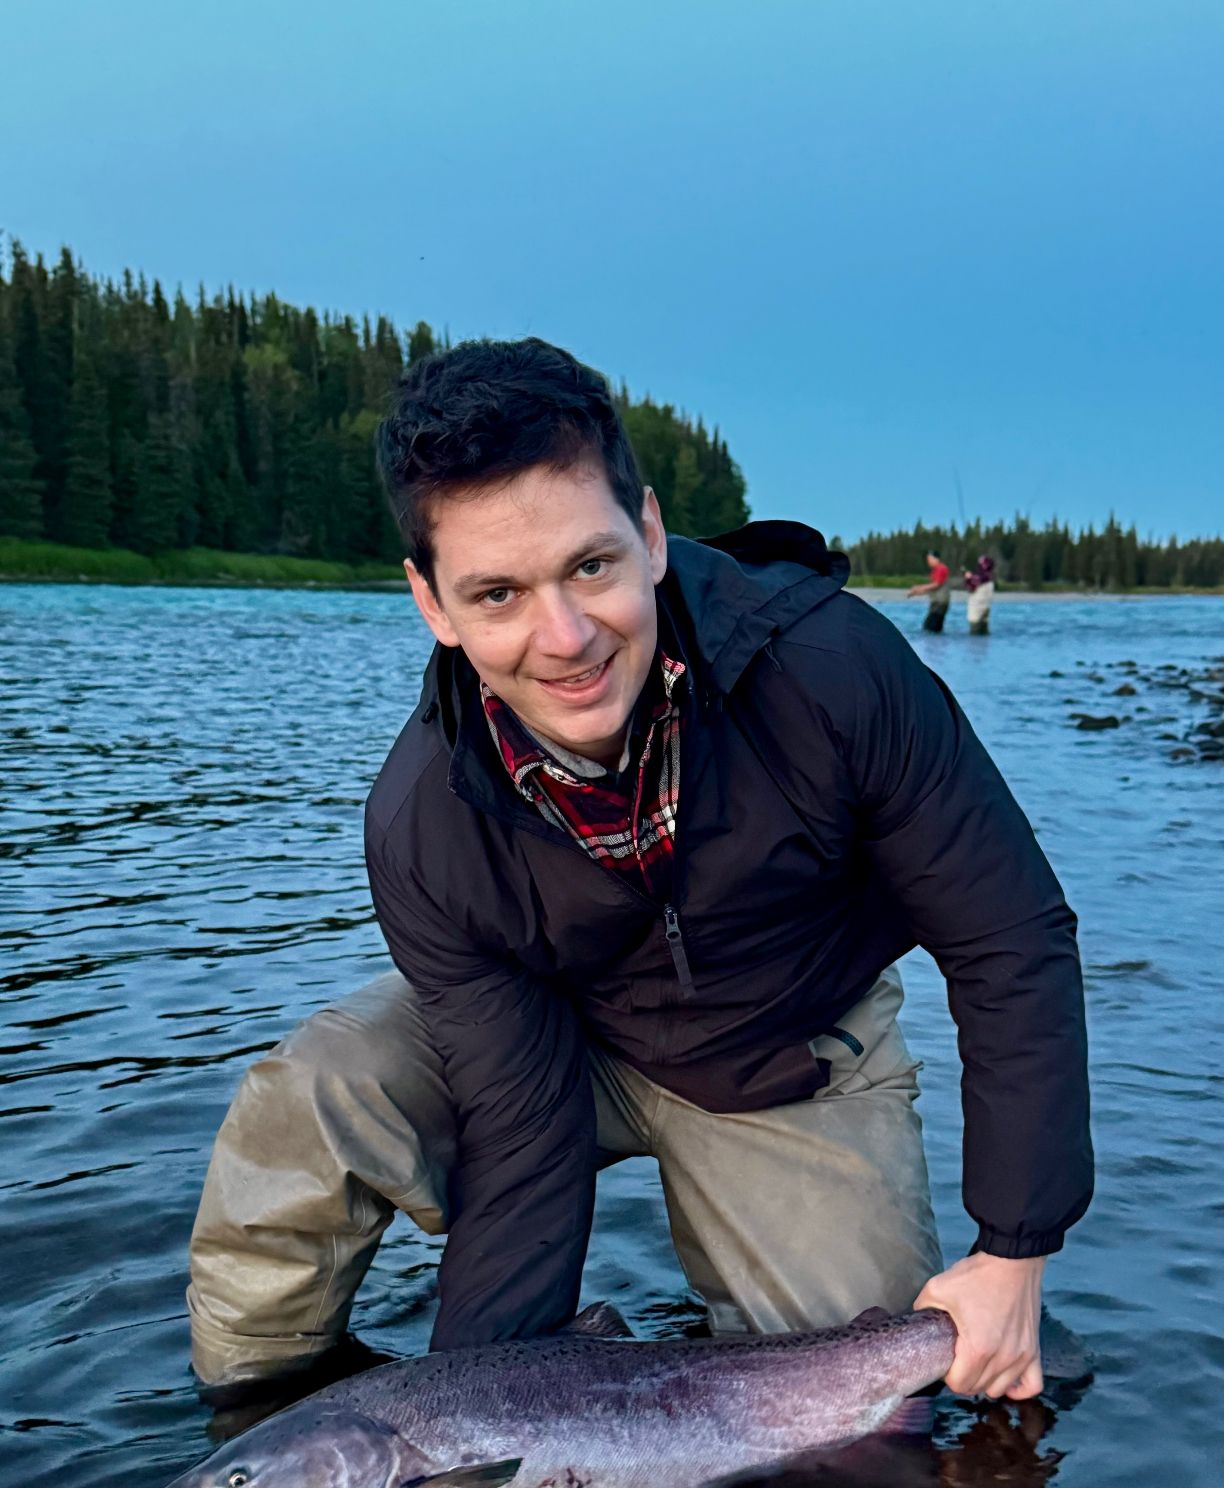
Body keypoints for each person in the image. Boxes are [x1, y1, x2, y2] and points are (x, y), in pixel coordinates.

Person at [186, 338, 1092, 1406]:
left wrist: (1014, 1250)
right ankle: (254, 1424)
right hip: (557, 1040)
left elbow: (1009, 939)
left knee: (863, 1403)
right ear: (431, 603)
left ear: (651, 534)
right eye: (497, 595)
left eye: (590, 567)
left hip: (787, 1052)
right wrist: (479, 1423)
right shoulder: (425, 821)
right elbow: (524, 1136)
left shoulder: (836, 675)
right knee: (320, 1091)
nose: (563, 637)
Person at [905, 550, 952, 632]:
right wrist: (915, 593)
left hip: (940, 604)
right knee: (933, 628)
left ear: (936, 559)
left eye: (929, 559)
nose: (928, 562)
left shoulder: (941, 568)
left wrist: (918, 587)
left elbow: (936, 584)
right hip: (936, 603)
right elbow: (931, 589)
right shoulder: (935, 571)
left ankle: (935, 644)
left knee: (929, 627)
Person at [963, 554, 997, 635]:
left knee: (975, 630)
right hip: (985, 608)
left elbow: (970, 588)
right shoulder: (990, 577)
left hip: (976, 609)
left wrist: (967, 578)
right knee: (984, 629)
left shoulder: (978, 577)